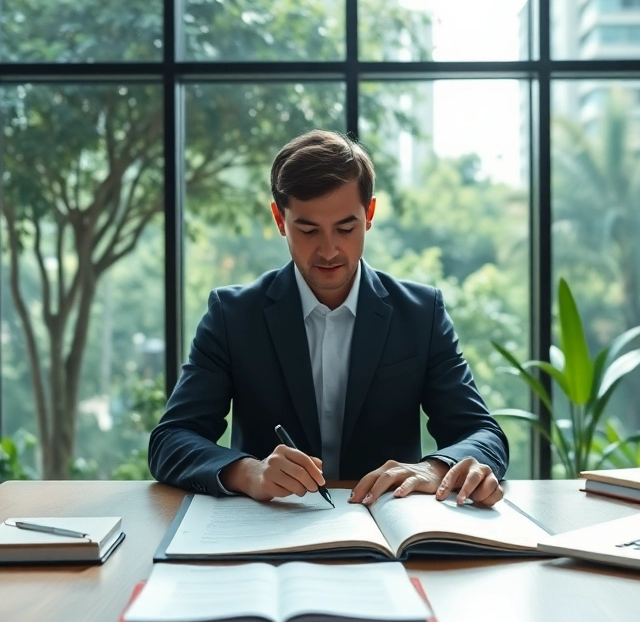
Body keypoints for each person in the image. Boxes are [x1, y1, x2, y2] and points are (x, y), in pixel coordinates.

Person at [149, 130, 508, 507]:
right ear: (279, 219)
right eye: (307, 229)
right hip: (270, 530)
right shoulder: (233, 315)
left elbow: (483, 433)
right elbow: (171, 439)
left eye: (345, 227)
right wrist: (249, 472)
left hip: (386, 531)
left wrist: (435, 468)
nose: (329, 250)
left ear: (368, 215)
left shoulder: (421, 313)